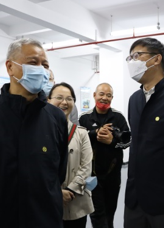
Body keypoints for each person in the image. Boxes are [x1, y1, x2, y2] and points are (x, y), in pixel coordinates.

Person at [0, 38, 67, 227]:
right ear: (10, 67)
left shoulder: (56, 117)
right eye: (33, 63)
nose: (41, 70)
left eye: (45, 65)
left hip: (44, 219)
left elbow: (58, 173)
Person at [124, 38, 164, 228]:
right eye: (130, 57)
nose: (132, 62)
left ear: (156, 59)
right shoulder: (134, 99)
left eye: (137, 55)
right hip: (135, 199)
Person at [78, 83, 130, 228]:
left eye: (108, 95)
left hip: (113, 175)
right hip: (91, 175)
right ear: (94, 95)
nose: (104, 98)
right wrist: (95, 133)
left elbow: (128, 142)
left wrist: (111, 142)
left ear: (112, 98)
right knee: (97, 215)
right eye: (101, 94)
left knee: (109, 213)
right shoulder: (84, 118)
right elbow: (78, 141)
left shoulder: (118, 117)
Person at [48, 82, 95, 228]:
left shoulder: (81, 133)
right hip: (48, 201)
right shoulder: (40, 132)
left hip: (75, 200)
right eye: (59, 97)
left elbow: (86, 167)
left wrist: (69, 191)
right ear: (48, 100)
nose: (64, 102)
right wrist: (57, 193)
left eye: (69, 99)